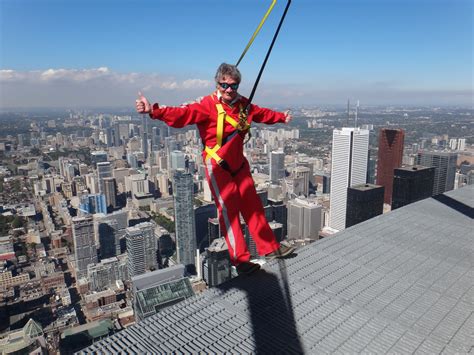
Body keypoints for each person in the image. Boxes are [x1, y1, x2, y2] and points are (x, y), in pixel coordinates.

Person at [136, 63, 295, 275]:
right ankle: (241, 260)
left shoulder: (242, 104)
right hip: (218, 165)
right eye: (224, 85)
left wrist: (281, 117)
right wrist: (153, 111)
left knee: (253, 205)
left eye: (234, 86)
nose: (229, 90)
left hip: (239, 164)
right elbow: (182, 114)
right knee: (229, 211)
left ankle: (269, 247)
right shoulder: (206, 105)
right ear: (217, 83)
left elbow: (260, 113)